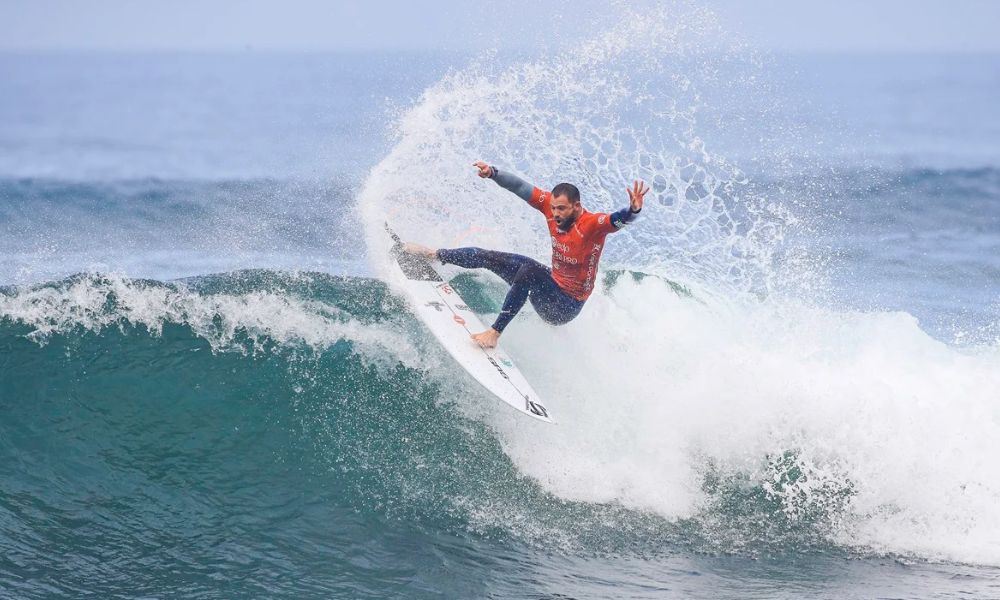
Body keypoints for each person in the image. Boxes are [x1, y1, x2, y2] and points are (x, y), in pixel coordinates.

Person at [405, 161, 647, 348]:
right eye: (553, 208)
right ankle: (434, 254)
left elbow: (620, 219)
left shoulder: (592, 225)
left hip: (565, 306)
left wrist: (634, 209)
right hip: (551, 285)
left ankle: (494, 333)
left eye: (561, 208)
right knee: (491, 257)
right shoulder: (550, 209)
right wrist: (493, 173)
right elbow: (520, 187)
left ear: (576, 205)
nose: (556, 213)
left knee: (529, 270)